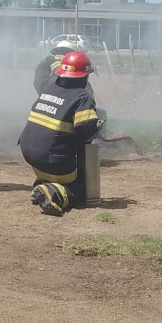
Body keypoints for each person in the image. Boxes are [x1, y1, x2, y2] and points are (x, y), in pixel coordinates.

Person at [19, 51, 100, 216]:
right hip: (52, 161)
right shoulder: (83, 96)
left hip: (29, 153)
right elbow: (85, 133)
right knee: (80, 191)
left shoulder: (50, 87)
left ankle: (44, 183)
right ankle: (54, 192)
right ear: (85, 75)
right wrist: (95, 126)